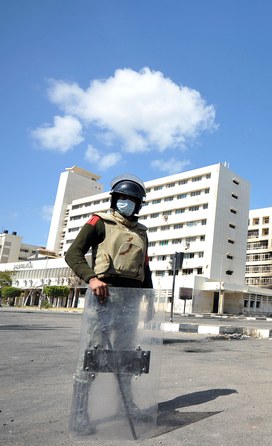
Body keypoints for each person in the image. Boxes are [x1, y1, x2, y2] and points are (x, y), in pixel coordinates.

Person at [65, 174, 153, 435]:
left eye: (132, 201)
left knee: (127, 358)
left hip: (130, 301)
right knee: (93, 356)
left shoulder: (141, 232)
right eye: (123, 199)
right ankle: (80, 414)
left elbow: (145, 269)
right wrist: (91, 279)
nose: (127, 203)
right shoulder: (99, 222)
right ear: (115, 199)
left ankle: (125, 406)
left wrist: (149, 300)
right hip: (103, 298)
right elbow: (73, 253)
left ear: (139, 205)